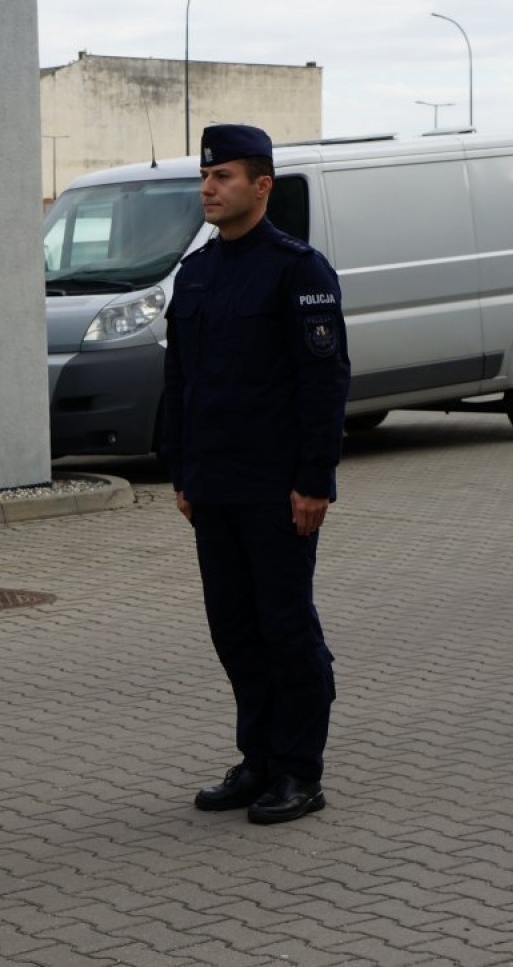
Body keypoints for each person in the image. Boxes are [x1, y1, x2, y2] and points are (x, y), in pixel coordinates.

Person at [161, 123, 351, 825]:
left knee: (284, 627)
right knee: (234, 627)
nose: (208, 187)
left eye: (224, 177)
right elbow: (179, 375)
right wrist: (180, 468)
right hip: (214, 487)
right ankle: (259, 757)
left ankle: (300, 768)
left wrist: (314, 479)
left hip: (277, 490)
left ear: (261, 186)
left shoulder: (298, 269)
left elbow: (323, 381)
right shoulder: (198, 271)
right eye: (205, 177)